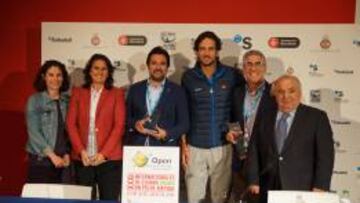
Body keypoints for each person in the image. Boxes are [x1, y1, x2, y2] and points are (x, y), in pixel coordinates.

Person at [247, 74, 335, 203]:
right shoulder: (264, 115)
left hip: (303, 188)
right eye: (281, 92)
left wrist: (321, 185)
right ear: (275, 95)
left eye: (291, 91)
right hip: (268, 186)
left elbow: (325, 155)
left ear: (299, 93)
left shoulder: (317, 117)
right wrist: (253, 180)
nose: (286, 96)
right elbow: (253, 149)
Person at [181, 31, 244, 203]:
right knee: (194, 199)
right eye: (202, 49)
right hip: (195, 147)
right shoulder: (188, 77)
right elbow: (184, 112)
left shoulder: (232, 75)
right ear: (196, 51)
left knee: (219, 198)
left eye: (211, 48)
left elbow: (239, 108)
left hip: (222, 146)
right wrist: (184, 144)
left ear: (217, 51)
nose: (206, 53)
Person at [66, 53, 126, 200]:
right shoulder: (78, 93)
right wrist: (81, 151)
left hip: (109, 159)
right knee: (85, 199)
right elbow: (70, 124)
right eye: (96, 68)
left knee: (109, 199)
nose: (99, 72)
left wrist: (103, 154)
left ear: (109, 72)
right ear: (89, 70)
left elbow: (119, 126)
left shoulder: (117, 93)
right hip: (83, 159)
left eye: (104, 69)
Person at [226, 50, 276, 202]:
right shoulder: (236, 92)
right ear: (243, 68)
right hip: (240, 159)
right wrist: (229, 132)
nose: (253, 68)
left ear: (265, 67)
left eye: (257, 64)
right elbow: (231, 120)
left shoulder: (275, 93)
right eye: (249, 64)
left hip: (265, 163)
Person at [126, 46, 189, 146]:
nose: (158, 67)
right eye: (154, 63)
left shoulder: (178, 91)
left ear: (168, 67)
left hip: (165, 151)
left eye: (162, 64)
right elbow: (127, 118)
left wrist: (167, 134)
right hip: (138, 149)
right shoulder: (135, 89)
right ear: (148, 65)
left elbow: (184, 124)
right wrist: (135, 124)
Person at [25, 60, 71, 183]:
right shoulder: (35, 101)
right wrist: (52, 156)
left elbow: (67, 132)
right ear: (43, 77)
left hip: (63, 163)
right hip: (41, 161)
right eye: (51, 75)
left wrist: (66, 153)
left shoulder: (67, 101)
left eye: (59, 75)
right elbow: (34, 133)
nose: (55, 79)